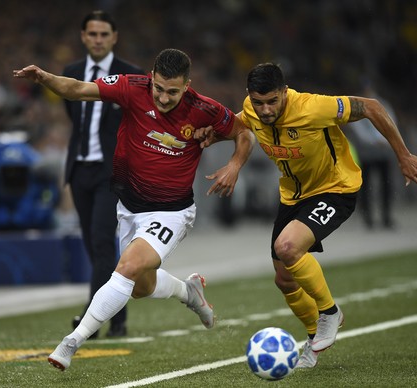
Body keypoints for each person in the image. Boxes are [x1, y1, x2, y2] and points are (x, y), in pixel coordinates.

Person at [13, 48, 255, 371]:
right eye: (159, 88)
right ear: (152, 77)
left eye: (173, 92)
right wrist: (45, 78)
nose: (164, 97)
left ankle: (71, 342)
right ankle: (189, 291)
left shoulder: (203, 109)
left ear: (187, 86)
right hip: (129, 208)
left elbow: (244, 133)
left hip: (172, 210)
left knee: (126, 267)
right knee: (140, 287)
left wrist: (235, 165)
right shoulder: (132, 87)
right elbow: (77, 89)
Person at [197, 63, 417, 369]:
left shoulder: (312, 107)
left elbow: (371, 107)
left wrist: (402, 155)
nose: (265, 110)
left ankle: (330, 313)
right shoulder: (251, 110)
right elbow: (242, 124)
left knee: (288, 247)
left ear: (284, 92)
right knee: (284, 279)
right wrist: (210, 136)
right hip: (293, 196)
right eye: (258, 102)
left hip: (335, 189)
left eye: (272, 101)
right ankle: (313, 339)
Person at [62, 10, 144, 338]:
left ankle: (89, 321)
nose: (97, 40)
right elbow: (74, 116)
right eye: (92, 34)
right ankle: (118, 318)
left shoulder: (131, 75)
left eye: (103, 34)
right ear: (83, 36)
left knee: (100, 244)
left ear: (114, 37)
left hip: (111, 174)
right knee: (95, 247)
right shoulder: (71, 73)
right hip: (79, 170)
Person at [345, 82, 397, 229]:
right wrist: (376, 141)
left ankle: (386, 216)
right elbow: (359, 129)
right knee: (366, 186)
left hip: (382, 151)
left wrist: (382, 140)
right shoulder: (357, 105)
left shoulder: (382, 104)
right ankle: (368, 218)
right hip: (367, 152)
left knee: (386, 185)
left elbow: (391, 122)